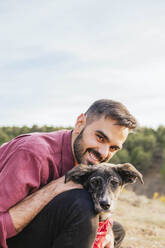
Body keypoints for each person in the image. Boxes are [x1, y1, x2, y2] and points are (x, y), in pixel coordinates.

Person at [0, 99, 137, 248]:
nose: (103, 153)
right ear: (80, 123)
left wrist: (106, 230)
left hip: (33, 229)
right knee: (81, 204)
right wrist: (55, 188)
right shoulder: (32, 154)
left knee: (115, 231)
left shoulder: (83, 160)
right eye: (100, 137)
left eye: (113, 148)